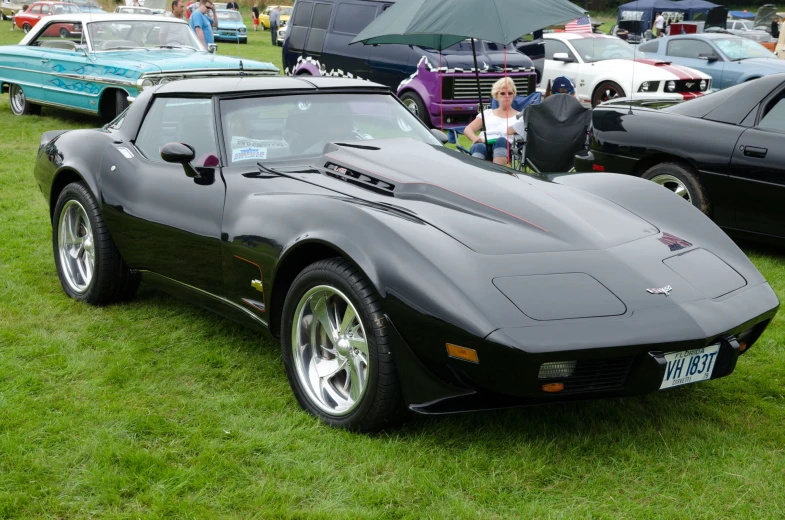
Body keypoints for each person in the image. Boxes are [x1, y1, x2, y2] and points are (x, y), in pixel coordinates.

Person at [463, 77, 520, 165]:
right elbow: (468, 129)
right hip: (484, 144)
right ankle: (476, 174)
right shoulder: (487, 113)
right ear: (496, 96)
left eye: (510, 93)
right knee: (479, 146)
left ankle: (497, 174)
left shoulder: (520, 116)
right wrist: (475, 139)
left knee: (501, 140)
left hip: (506, 147)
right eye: (502, 93)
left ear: (514, 95)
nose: (507, 96)